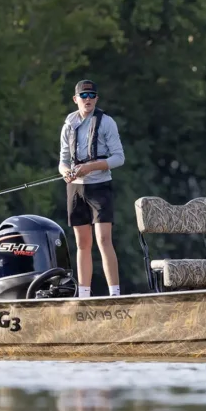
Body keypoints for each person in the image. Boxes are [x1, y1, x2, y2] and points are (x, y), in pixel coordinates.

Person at [59, 79, 125, 297]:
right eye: (83, 96)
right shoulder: (68, 124)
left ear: (96, 98)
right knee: (82, 243)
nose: (87, 100)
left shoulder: (107, 122)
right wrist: (65, 172)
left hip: (100, 186)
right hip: (75, 190)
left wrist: (92, 167)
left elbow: (119, 158)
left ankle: (114, 293)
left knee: (104, 240)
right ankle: (84, 294)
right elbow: (63, 160)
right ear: (75, 99)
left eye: (91, 96)